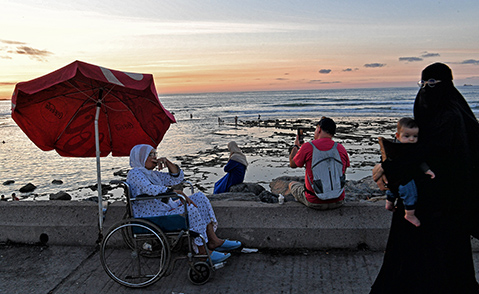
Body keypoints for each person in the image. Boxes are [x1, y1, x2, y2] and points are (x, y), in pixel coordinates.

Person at [371, 63, 479, 293]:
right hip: (436, 203)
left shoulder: (450, 117)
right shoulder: (448, 112)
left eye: (431, 83)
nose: (425, 90)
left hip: (439, 206)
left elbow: (426, 152)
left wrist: (386, 165)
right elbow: (420, 150)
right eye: (422, 83)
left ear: (445, 85)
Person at [126, 144, 242, 264]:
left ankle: (213, 240)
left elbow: (176, 178)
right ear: (141, 157)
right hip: (153, 215)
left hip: (164, 209)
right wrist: (175, 192)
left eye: (155, 154)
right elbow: (149, 189)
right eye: (150, 155)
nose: (155, 157)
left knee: (199, 198)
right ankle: (202, 252)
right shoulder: (135, 173)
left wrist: (167, 162)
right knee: (190, 209)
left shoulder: (152, 174)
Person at [383, 117, 435, 227]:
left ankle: (389, 203)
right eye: (407, 136)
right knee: (410, 194)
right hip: (405, 179)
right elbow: (419, 161)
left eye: (415, 136)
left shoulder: (394, 147)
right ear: (398, 136)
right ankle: (410, 214)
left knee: (392, 190)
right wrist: (427, 170)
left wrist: (428, 171)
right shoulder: (410, 150)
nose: (411, 139)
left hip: (394, 178)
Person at [288, 117, 350, 210]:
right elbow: (343, 171)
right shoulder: (340, 148)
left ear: (319, 129)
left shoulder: (308, 147)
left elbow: (292, 164)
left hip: (314, 201)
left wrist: (296, 146)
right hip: (338, 200)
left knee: (292, 184)